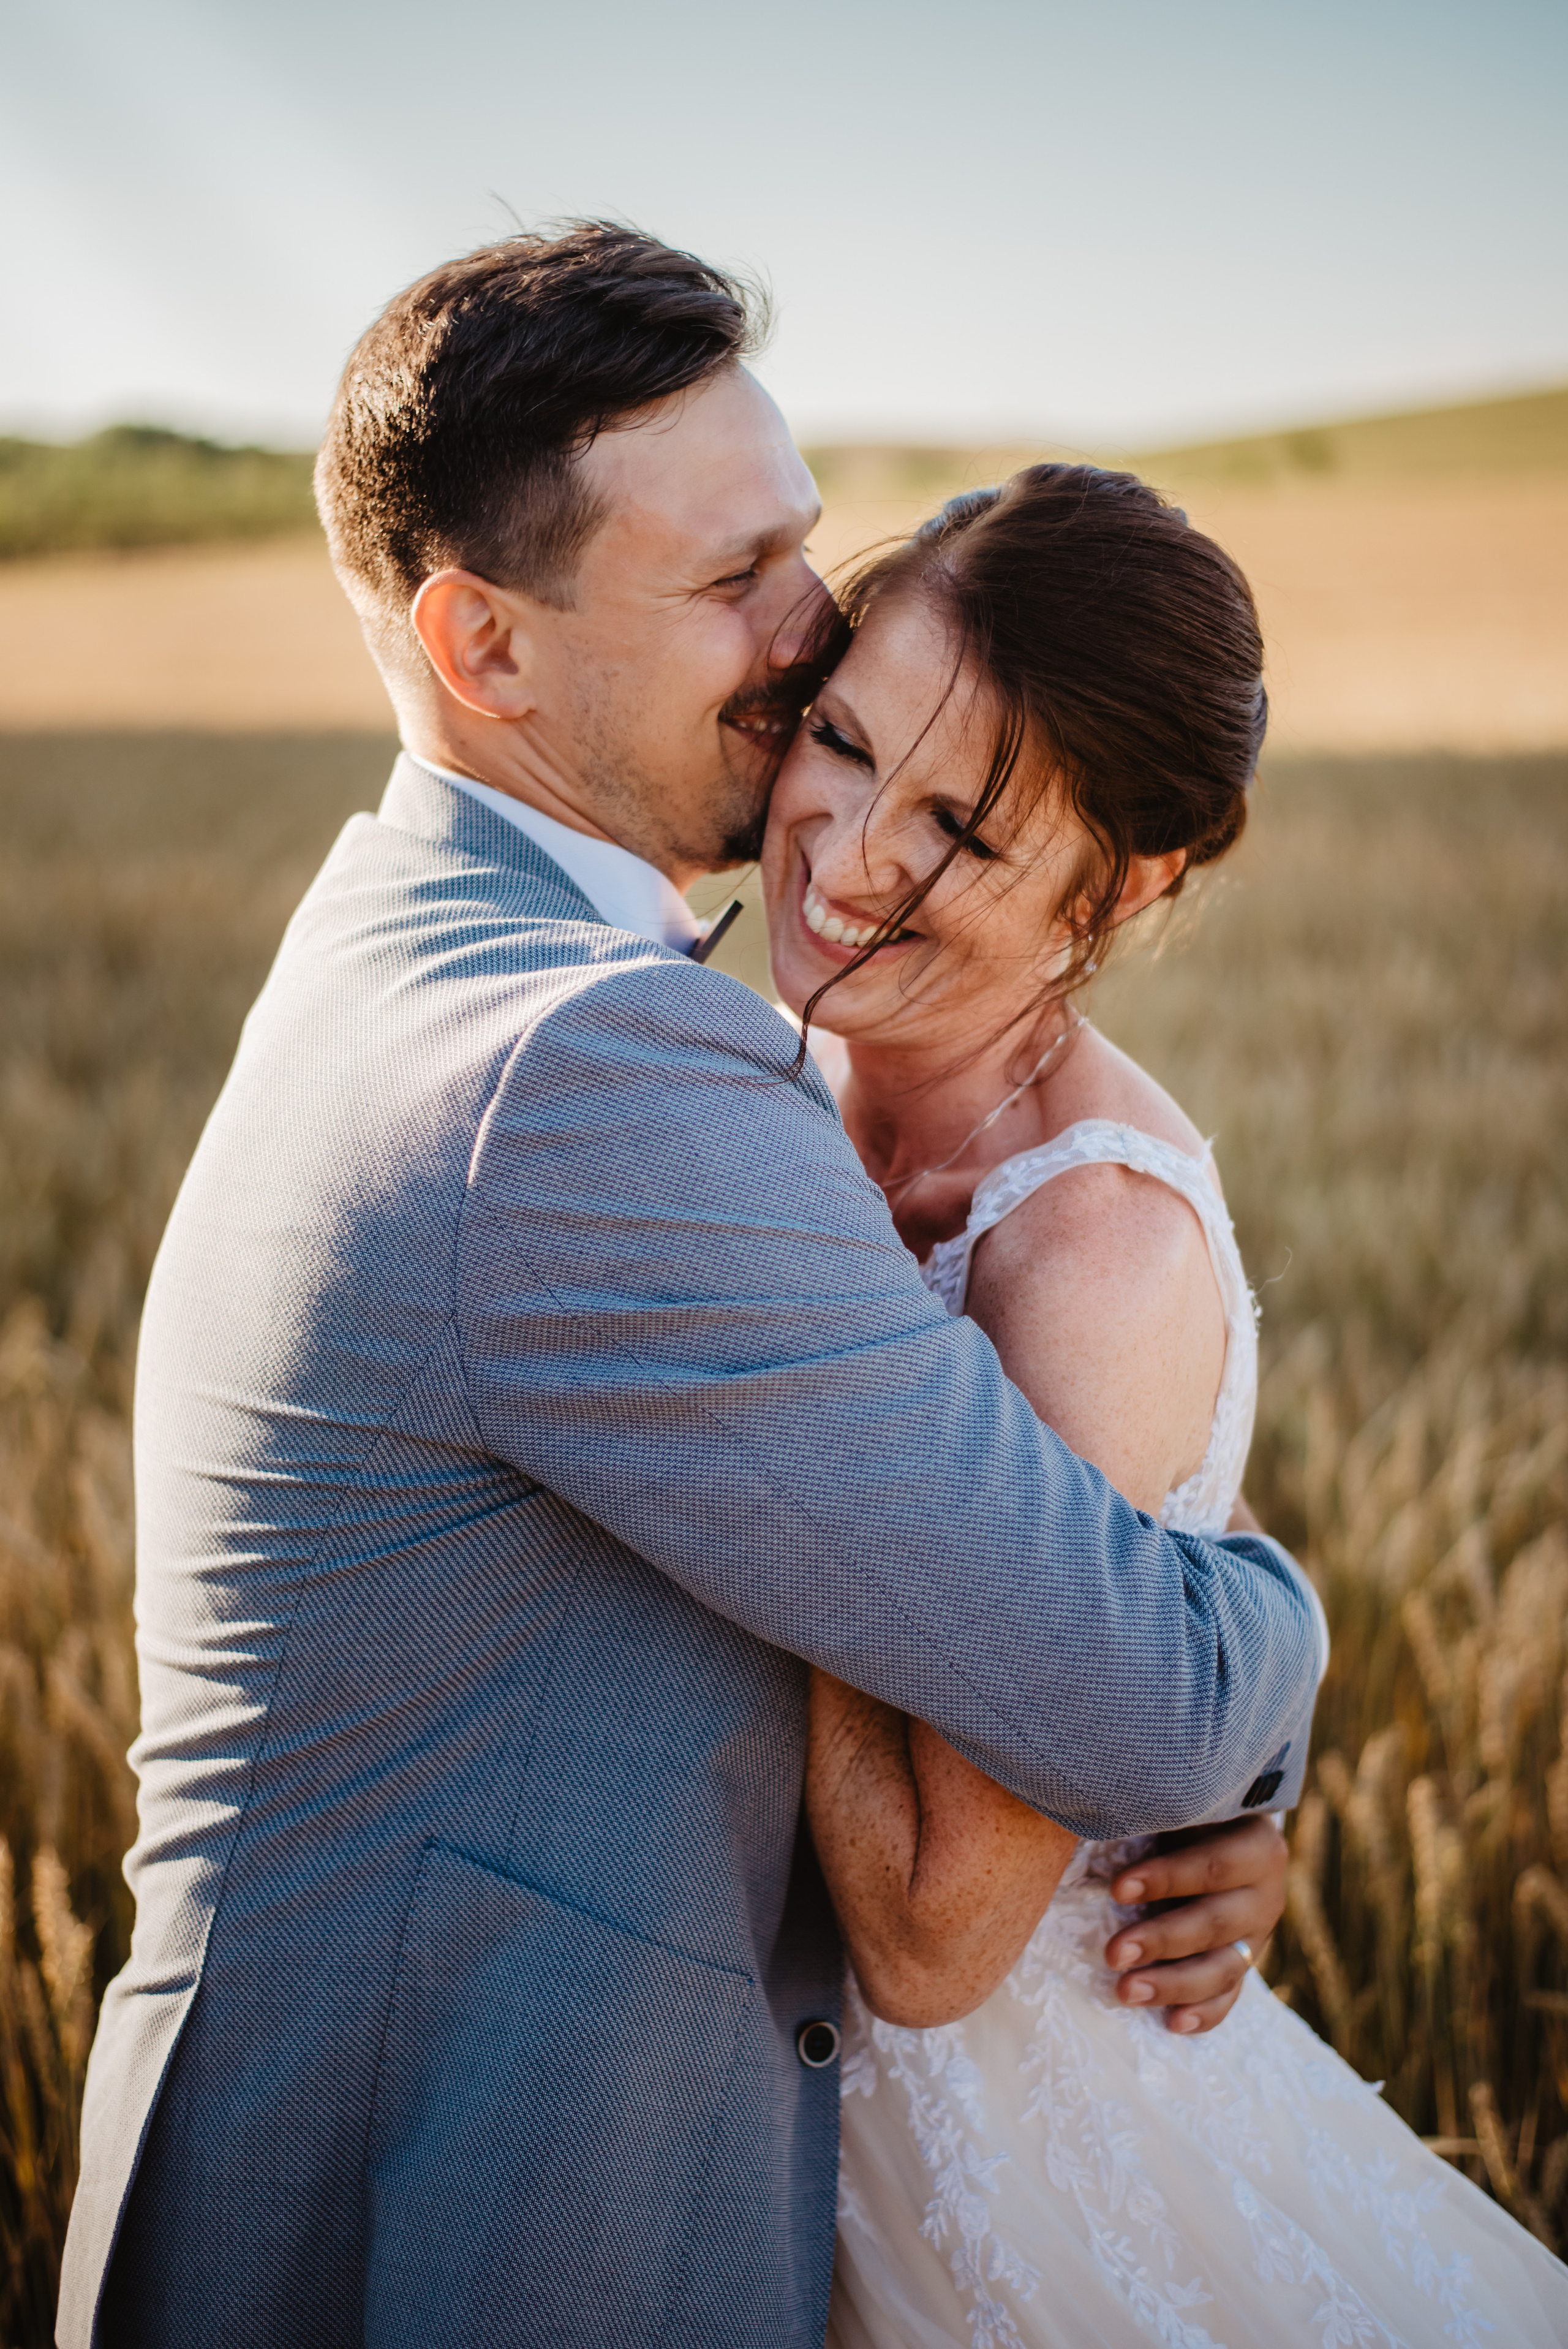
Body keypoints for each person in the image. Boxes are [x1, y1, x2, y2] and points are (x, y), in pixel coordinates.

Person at [59, 227, 1321, 2349]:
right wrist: (1273, 1620)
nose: (809, 626)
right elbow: (1124, 1688)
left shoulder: (418, 926)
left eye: (800, 544)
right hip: (442, 2232)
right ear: (489, 642)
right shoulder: (582, 1070)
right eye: (728, 577)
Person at [767, 469, 1568, 2346]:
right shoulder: (762, 1054)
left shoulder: (1095, 1260)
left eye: (960, 825)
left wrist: (799, 1374)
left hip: (1017, 2178)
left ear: (1121, 885)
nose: (851, 852)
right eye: (842, 738)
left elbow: (934, 1934)